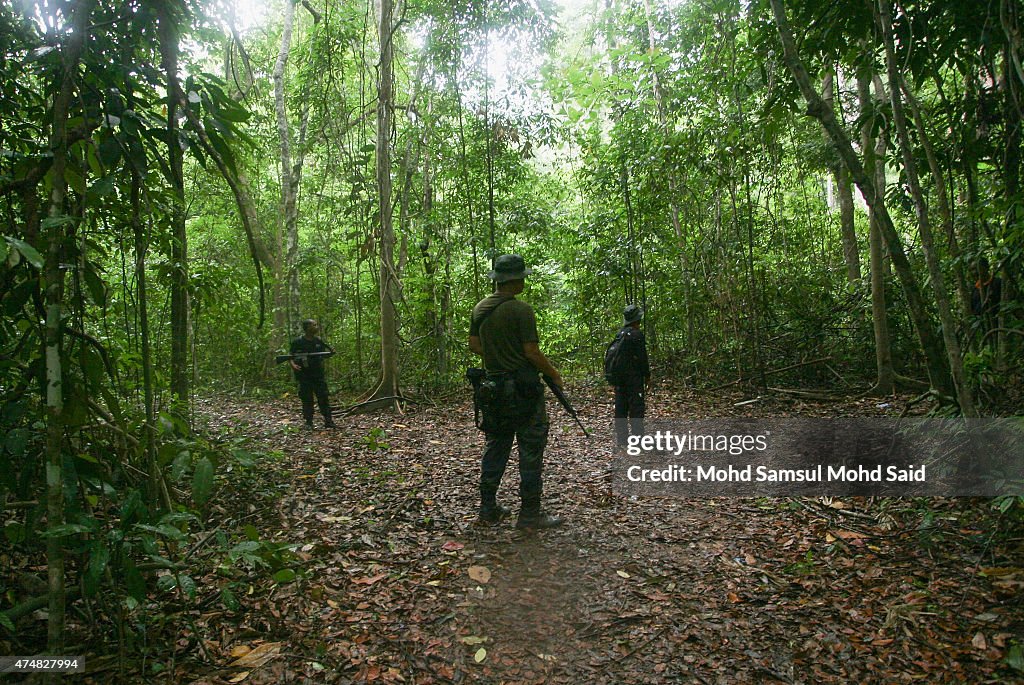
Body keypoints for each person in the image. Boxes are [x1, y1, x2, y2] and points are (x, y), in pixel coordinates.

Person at [469, 254, 564, 530]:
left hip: (493, 392)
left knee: (496, 446)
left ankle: (488, 508)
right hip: (523, 392)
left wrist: (498, 356)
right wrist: (553, 374)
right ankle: (530, 514)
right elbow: (531, 351)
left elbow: (474, 345)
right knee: (531, 449)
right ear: (515, 281)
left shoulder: (480, 308)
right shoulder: (522, 311)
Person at [612, 304, 650, 448]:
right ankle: (638, 440)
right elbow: (642, 358)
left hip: (620, 379)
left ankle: (622, 440)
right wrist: (647, 376)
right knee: (636, 408)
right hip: (633, 379)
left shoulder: (620, 334)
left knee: (621, 407)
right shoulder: (636, 335)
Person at [290, 319, 336, 429]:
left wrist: (331, 353)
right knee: (307, 398)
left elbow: (324, 355)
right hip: (304, 375)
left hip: (318, 375)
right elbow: (290, 355)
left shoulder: (318, 341)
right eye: (314, 325)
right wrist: (293, 365)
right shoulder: (298, 342)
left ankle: (328, 420)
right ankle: (308, 422)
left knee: (323, 397)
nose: (316, 327)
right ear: (307, 328)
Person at [970, 257, 1002, 349]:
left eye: (976, 268)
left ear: (986, 268)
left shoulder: (998, 283)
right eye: (971, 270)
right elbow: (974, 311)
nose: (974, 272)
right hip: (985, 331)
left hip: (1000, 327)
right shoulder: (974, 291)